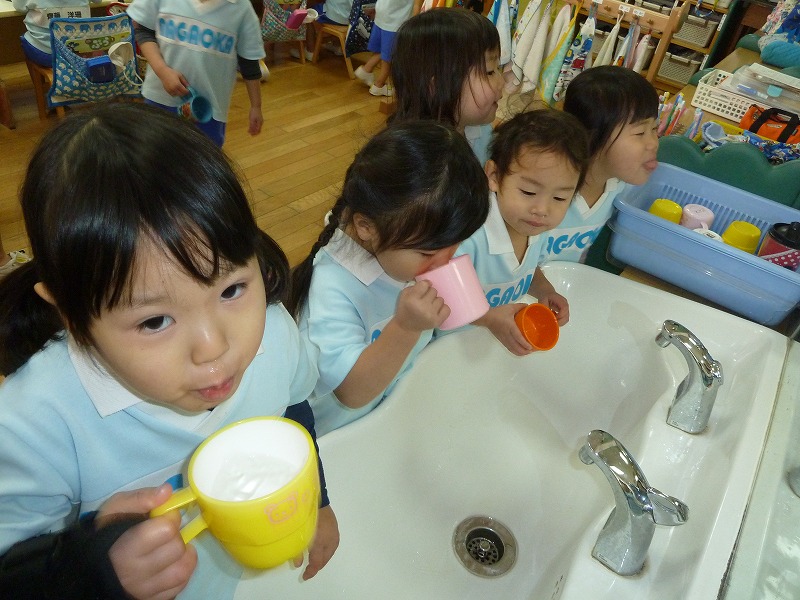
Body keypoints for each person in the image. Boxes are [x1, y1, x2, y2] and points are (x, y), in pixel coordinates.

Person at [0, 103, 338, 600]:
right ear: (71, 314)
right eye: (155, 321)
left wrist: (319, 501)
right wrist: (88, 567)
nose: (215, 349)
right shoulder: (33, 425)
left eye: (232, 289)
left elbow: (291, 409)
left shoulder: (274, 334)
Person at [287, 121, 489, 435]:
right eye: (427, 253)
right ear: (366, 227)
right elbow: (352, 392)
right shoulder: (332, 287)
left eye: (456, 244)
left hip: (393, 408)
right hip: (343, 433)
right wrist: (406, 328)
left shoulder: (406, 245)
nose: (445, 261)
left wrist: (493, 319)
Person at [451, 109, 590, 355]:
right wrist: (489, 318)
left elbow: (526, 269)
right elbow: (444, 295)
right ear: (494, 176)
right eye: (528, 192)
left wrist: (545, 290)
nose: (542, 209)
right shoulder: (469, 235)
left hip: (487, 349)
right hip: (450, 350)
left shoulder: (534, 228)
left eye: (560, 198)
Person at [539, 66, 659, 266]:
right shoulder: (544, 189)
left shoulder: (620, 188)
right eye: (640, 133)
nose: (653, 143)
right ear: (591, 136)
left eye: (655, 129)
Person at [128, 0, 265, 147]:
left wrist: (256, 106)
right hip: (159, 100)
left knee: (204, 154)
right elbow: (143, 30)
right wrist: (162, 71)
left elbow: (249, 62)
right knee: (154, 152)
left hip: (207, 110)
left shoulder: (242, 9)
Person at [388, 7, 504, 165]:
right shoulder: (419, 163)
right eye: (489, 72)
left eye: (499, 68)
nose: (502, 82)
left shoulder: (480, 129)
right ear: (436, 87)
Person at [353, 0, 422, 96]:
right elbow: (417, 5)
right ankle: (379, 85)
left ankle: (366, 69)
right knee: (390, 56)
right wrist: (414, 27)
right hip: (396, 20)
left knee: (383, 49)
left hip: (382, 14)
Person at [14, 0, 100, 67]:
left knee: (27, 36)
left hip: (45, 54)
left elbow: (19, 7)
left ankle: (38, 83)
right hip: (82, 52)